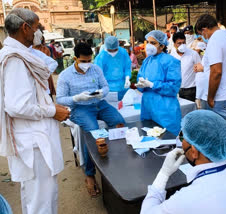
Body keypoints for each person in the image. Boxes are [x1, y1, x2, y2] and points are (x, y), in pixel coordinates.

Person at [0, 8, 70, 214]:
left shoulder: (21, 55)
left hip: (34, 139)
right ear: (25, 27)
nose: (38, 33)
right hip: (34, 143)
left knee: (36, 197)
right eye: (37, 27)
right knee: (42, 201)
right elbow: (16, 106)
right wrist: (51, 111)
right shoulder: (15, 60)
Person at [141, 110, 226, 214]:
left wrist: (164, 174)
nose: (180, 139)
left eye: (182, 137)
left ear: (194, 152)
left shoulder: (186, 199)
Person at [56, 42, 125, 197]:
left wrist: (102, 93)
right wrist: (76, 98)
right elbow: (60, 99)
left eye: (89, 60)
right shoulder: (65, 76)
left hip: (99, 103)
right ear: (75, 58)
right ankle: (89, 174)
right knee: (94, 132)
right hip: (80, 108)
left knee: (120, 123)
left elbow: (106, 87)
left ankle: (116, 160)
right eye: (84, 61)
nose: (88, 64)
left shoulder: (96, 69)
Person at [195, 14, 226, 135]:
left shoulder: (214, 41)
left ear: (204, 30)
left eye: (201, 34)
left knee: (218, 137)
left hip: (222, 97)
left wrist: (210, 97)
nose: (202, 37)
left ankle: (225, 154)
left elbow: (216, 72)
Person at [136, 30, 181, 136]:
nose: (149, 45)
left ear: (162, 46)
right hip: (148, 108)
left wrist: (152, 85)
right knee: (150, 139)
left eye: (153, 43)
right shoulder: (147, 61)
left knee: (167, 141)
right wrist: (140, 85)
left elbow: (174, 87)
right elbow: (140, 78)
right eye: (148, 42)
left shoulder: (171, 61)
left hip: (164, 110)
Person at [94, 36, 131, 101]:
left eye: (115, 50)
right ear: (106, 47)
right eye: (110, 50)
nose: (113, 52)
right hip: (107, 88)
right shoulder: (101, 57)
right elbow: (98, 74)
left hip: (122, 86)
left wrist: (127, 78)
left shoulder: (123, 53)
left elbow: (127, 67)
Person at [171, 32, 201, 102]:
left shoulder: (193, 54)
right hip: (176, 90)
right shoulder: (171, 56)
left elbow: (200, 70)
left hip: (190, 90)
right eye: (179, 43)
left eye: (183, 43)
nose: (182, 45)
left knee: (190, 111)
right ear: (174, 44)